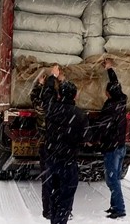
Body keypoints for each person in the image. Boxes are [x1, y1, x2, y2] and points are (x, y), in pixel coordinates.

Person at [39, 64, 89, 224]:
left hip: (52, 161)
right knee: (65, 201)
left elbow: (46, 96)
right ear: (75, 96)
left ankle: (54, 220)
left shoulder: (52, 108)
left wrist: (52, 77)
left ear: (59, 95)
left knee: (53, 197)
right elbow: (87, 138)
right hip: (68, 164)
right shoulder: (81, 115)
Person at [97, 58, 128, 219]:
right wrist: (110, 69)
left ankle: (120, 209)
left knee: (112, 180)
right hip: (121, 146)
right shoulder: (122, 100)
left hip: (112, 148)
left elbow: (102, 128)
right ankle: (114, 205)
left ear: (108, 94)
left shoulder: (110, 107)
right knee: (114, 177)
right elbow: (116, 85)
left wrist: (94, 139)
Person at [29, 74, 50, 219]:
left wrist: (39, 85)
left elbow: (33, 97)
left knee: (47, 179)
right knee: (60, 179)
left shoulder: (42, 108)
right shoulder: (59, 105)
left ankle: (48, 210)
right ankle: (62, 208)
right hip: (60, 147)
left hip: (45, 146)